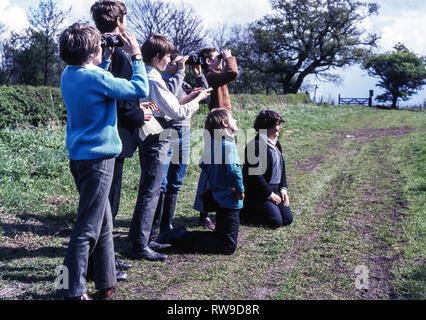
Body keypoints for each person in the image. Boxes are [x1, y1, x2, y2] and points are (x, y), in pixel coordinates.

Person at [56, 23, 148, 300]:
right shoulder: (96, 78)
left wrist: (105, 58)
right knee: (86, 228)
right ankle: (69, 290)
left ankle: (106, 284)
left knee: (104, 223)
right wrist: (136, 55)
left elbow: (96, 78)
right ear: (92, 50)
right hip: (100, 159)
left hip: (80, 157)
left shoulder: (69, 74)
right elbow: (139, 87)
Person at [128, 34, 211, 261]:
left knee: (150, 189)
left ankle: (141, 238)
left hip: (152, 132)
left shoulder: (147, 75)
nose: (169, 61)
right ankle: (140, 245)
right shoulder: (154, 79)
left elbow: (165, 106)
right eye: (166, 57)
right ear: (157, 57)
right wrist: (197, 100)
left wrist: (188, 99)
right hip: (156, 137)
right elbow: (178, 112)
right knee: (151, 191)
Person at [90, 0, 153, 283]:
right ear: (119, 21)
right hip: (114, 139)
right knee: (107, 206)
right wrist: (141, 114)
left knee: (104, 205)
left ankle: (106, 260)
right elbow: (124, 103)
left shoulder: (96, 52)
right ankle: (100, 267)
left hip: (99, 138)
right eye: (125, 18)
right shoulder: (121, 57)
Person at [156, 108, 244, 255]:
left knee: (221, 235)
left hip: (218, 196)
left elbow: (203, 164)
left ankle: (181, 235)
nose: (236, 121)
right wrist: (240, 190)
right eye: (232, 118)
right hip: (230, 198)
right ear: (225, 123)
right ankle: (180, 236)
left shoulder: (214, 145)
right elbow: (234, 170)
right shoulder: (229, 145)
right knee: (228, 245)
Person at [149, 50, 209, 242]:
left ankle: (167, 225)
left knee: (177, 177)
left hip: (184, 131)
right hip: (167, 131)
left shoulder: (181, 80)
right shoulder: (165, 80)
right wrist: (181, 72)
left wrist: (199, 75)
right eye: (176, 61)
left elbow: (206, 96)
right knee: (164, 182)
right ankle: (155, 228)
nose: (179, 65)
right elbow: (172, 98)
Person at [192, 47, 239, 230]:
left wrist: (221, 59)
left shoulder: (216, 75)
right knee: (211, 170)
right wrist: (228, 57)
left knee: (222, 169)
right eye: (215, 59)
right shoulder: (210, 77)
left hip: (224, 127)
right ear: (206, 62)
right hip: (216, 129)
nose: (219, 61)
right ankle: (203, 214)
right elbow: (233, 72)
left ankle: (217, 209)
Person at [241, 110, 293, 228]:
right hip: (259, 192)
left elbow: (281, 168)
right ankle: (246, 212)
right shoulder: (254, 146)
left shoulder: (276, 144)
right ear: (268, 126)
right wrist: (270, 194)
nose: (280, 127)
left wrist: (283, 189)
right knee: (276, 222)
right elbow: (255, 176)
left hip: (275, 189)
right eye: (278, 124)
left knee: (287, 219)